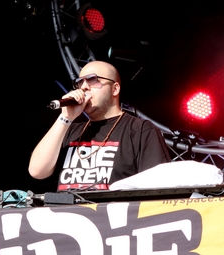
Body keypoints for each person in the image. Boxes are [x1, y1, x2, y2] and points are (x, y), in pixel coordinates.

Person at [28, 61, 171, 191]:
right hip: (69, 211)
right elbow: (37, 171)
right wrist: (65, 118)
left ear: (115, 89)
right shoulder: (71, 130)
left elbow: (157, 185)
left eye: (92, 79)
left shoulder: (140, 129)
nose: (84, 87)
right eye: (79, 82)